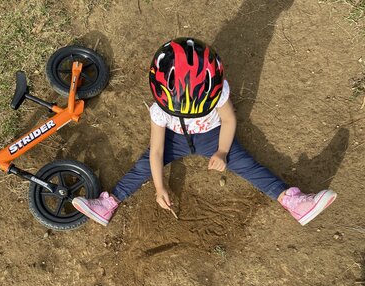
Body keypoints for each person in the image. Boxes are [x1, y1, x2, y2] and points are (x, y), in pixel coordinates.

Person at [72, 37, 337, 227]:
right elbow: (156, 151)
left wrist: (222, 151)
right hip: (174, 140)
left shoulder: (217, 91)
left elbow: (229, 121)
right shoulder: (160, 109)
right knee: (143, 166)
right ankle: (108, 204)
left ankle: (293, 202)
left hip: (212, 136)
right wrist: (159, 187)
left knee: (245, 163)